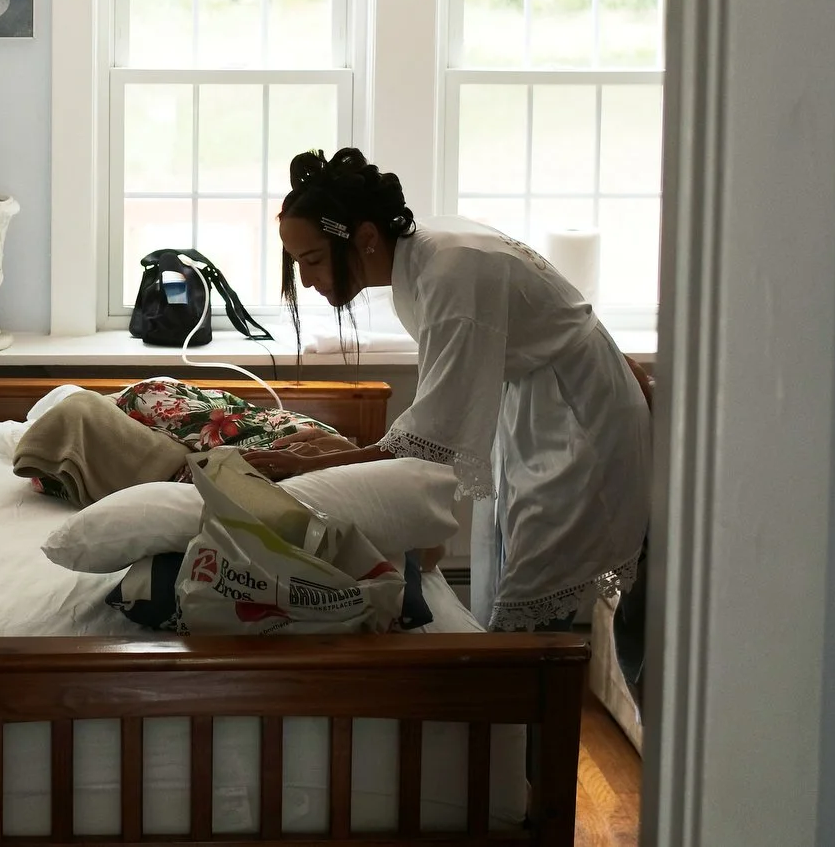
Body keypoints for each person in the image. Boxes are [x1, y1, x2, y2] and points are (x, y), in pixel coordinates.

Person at [246, 148, 650, 637]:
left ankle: (535, 700)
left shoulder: (449, 271)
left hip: (578, 414)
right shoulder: (422, 261)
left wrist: (314, 464)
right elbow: (433, 418)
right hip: (539, 402)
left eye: (311, 260)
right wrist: (343, 454)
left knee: (537, 582)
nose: (306, 281)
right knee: (517, 564)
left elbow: (431, 435)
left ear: (367, 237)